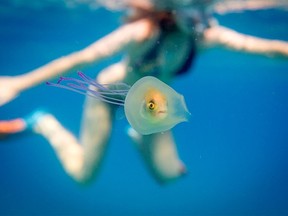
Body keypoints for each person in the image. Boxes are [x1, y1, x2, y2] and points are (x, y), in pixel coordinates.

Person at [0, 0, 287, 184]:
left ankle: (138, 134)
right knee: (84, 176)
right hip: (106, 97)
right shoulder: (142, 31)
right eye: (191, 4)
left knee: (169, 176)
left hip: (150, 107)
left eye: (204, 5)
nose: (197, 13)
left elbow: (266, 48)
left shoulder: (207, 37)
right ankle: (43, 124)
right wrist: (18, 83)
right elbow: (80, 59)